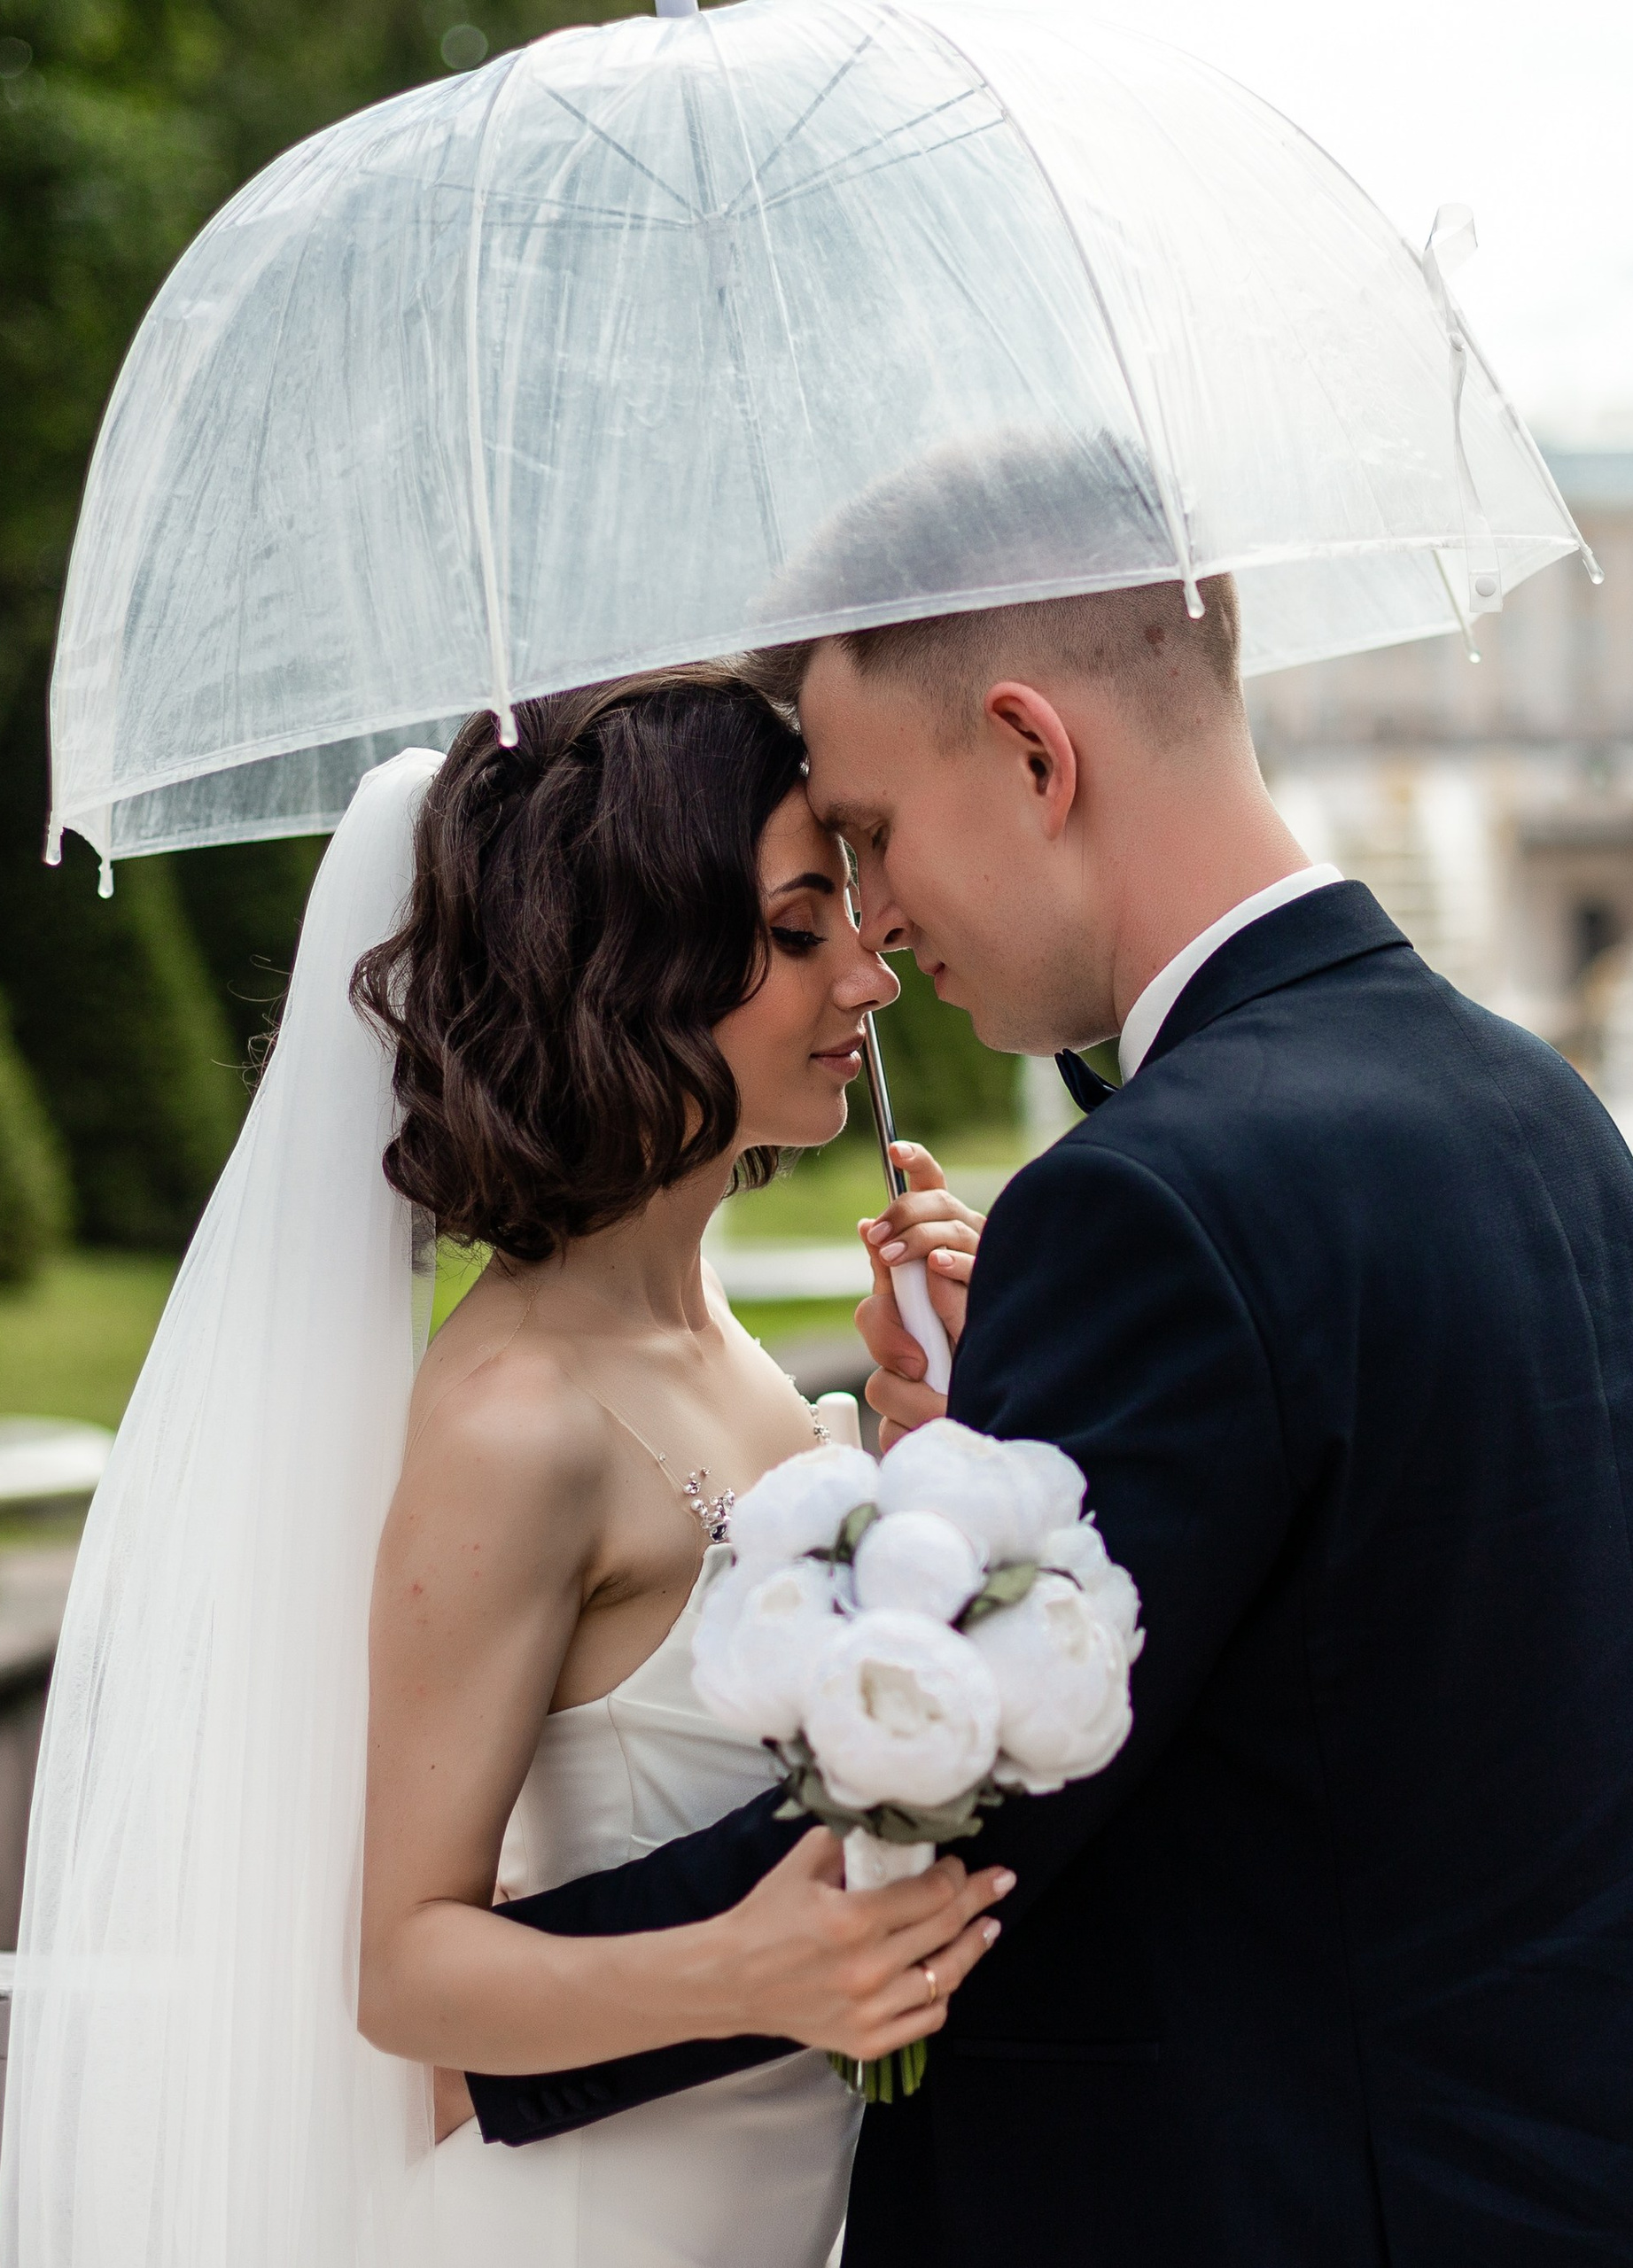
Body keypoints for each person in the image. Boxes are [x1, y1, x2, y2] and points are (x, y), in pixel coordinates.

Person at [463, 587, 1633, 2265]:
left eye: (871, 831)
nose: (876, 917)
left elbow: (953, 1808)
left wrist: (464, 2028)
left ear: (1033, 753)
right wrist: (975, 1448)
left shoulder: (1162, 1200)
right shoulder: (1536, 1108)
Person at [0, 661, 1006, 2268]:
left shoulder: (717, 1334)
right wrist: (754, 1972)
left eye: (856, 916)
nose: (871, 980)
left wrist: (934, 1421)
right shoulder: (517, 1420)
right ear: (642, 963)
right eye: (802, 926)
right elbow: (407, 1975)